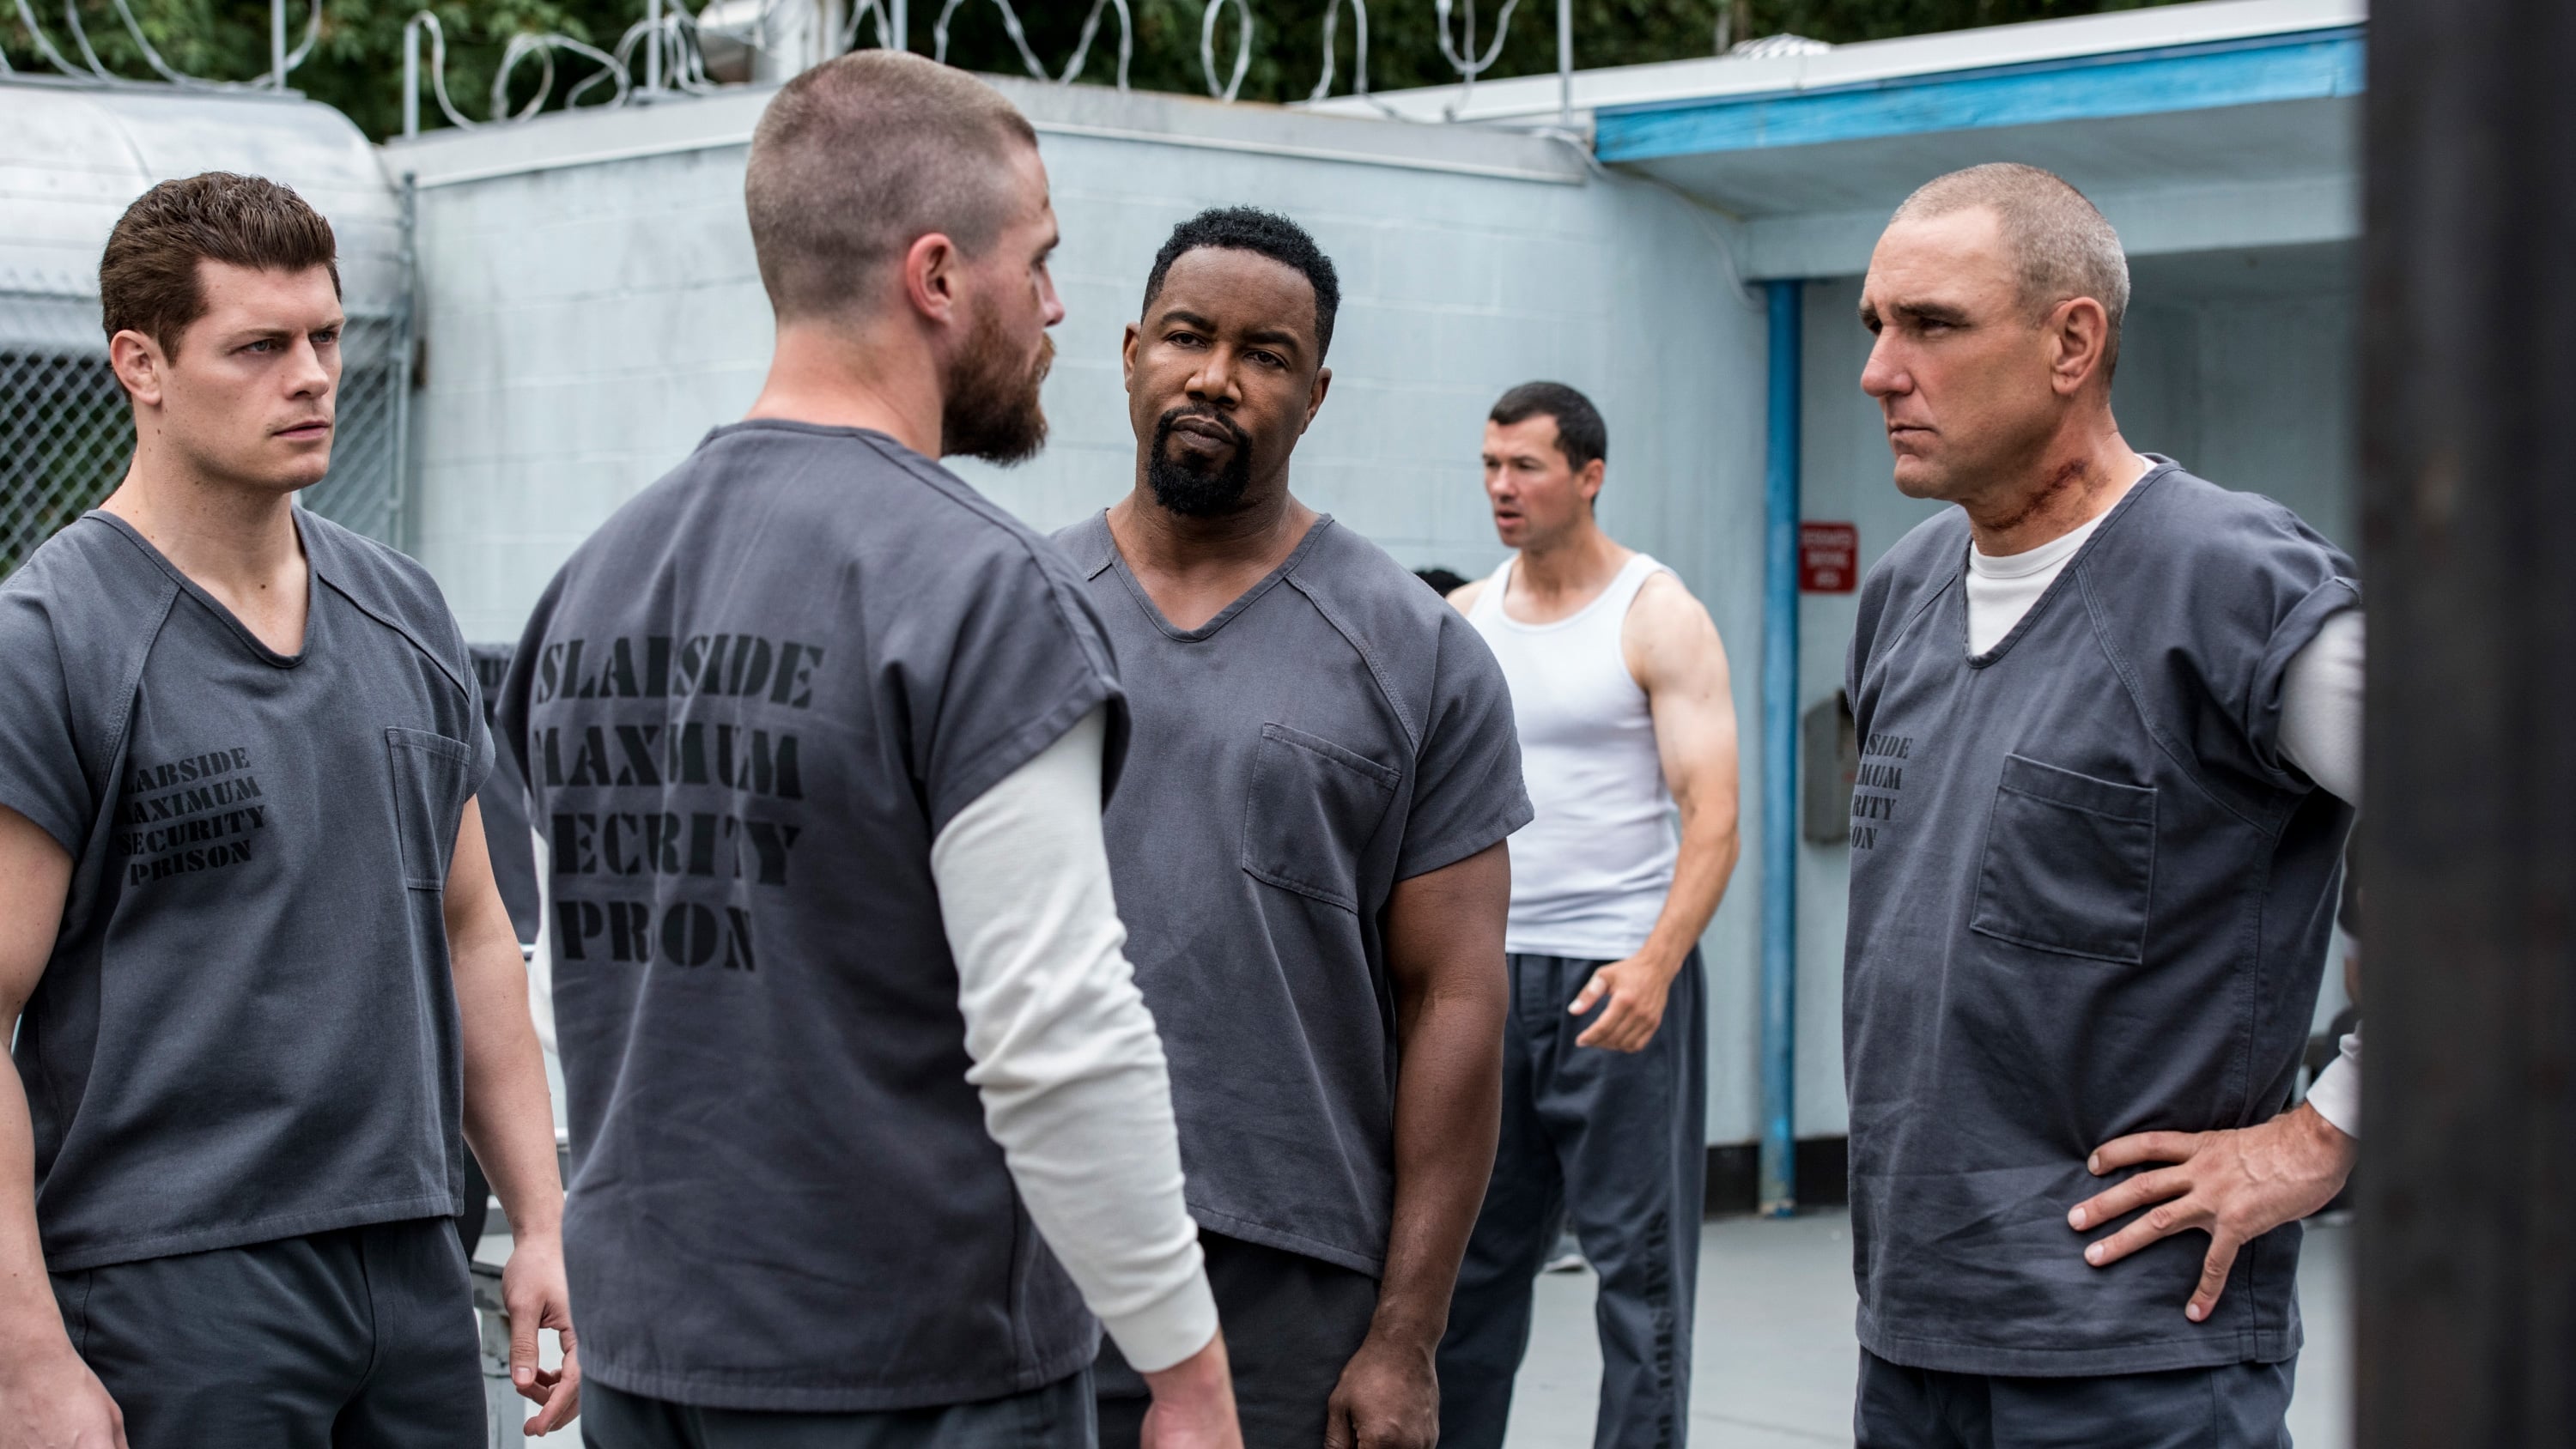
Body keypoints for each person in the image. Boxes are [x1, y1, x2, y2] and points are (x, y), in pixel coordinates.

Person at [495, 53, 1237, 1448]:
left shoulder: (591, 584)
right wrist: (1186, 1367)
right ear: (938, 276)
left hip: (654, 1364)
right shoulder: (978, 591)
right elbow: (1057, 1032)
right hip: (914, 1376)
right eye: (1040, 261)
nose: (1058, 307)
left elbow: (569, 989)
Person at [0, 173, 578, 1445]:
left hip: (415, 1263)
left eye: (325, 336)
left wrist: (541, 1219)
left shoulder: (406, 613)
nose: (312, 377)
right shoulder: (49, 641)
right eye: (259, 346)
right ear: (141, 365)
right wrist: (24, 1357)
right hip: (168, 1283)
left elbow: (474, 930)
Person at [1841, 162, 2361, 1447]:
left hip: (2139, 1358)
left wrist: (2328, 1133)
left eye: (1931, 325)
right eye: (1876, 325)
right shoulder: (1903, 594)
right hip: (1910, 1338)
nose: (1879, 371)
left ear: (2072, 343)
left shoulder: (2235, 587)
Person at [1054, 205, 1528, 1449]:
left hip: (1286, 1284)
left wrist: (1406, 1334)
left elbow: (1457, 1001)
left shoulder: (1418, 653)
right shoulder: (1010, 613)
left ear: (1314, 396)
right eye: (1186, 337)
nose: (1216, 377)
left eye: (1264, 355)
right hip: (1019, 1249)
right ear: (1131, 353)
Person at [1437, 380, 1742, 1449]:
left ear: (1589, 475)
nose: (1501, 486)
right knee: (1466, 1265)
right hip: (1486, 978)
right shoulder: (1466, 617)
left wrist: (1656, 965)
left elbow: (1713, 815)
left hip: (1616, 976)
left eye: (1525, 465)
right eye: (1490, 465)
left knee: (1637, 1271)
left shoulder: (1656, 613)